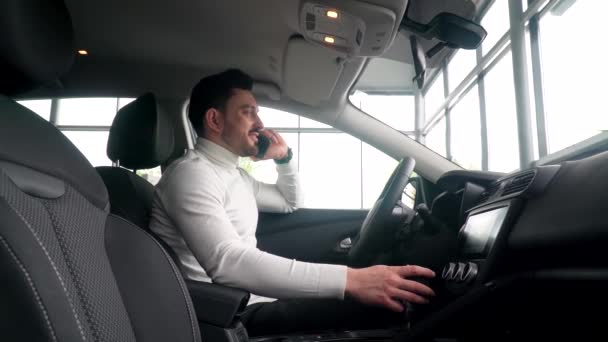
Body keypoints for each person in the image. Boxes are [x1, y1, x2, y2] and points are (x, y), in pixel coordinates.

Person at [149, 69, 436, 336]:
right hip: (225, 313)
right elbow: (228, 263)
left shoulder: (231, 174)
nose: (260, 124)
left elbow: (289, 202)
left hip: (250, 298)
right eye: (248, 113)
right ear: (214, 120)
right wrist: (352, 280)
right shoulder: (190, 175)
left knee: (379, 300)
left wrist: (284, 159)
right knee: (381, 306)